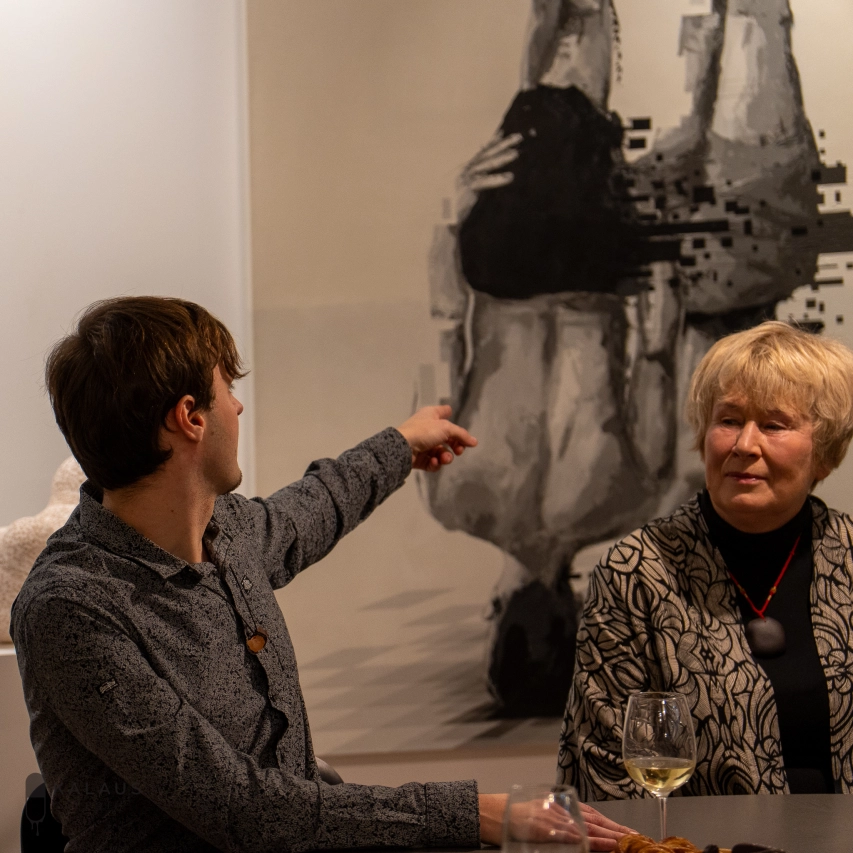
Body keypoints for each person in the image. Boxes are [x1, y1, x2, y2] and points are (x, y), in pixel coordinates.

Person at [11, 296, 631, 852]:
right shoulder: (71, 609)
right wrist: (477, 813)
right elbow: (244, 811)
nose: (238, 404)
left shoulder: (226, 532)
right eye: (227, 387)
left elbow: (314, 506)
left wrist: (402, 444)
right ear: (190, 417)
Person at [558, 320, 853, 798]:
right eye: (729, 420)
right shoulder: (636, 572)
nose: (744, 445)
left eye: (773, 425)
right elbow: (604, 772)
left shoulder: (849, 556)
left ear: (825, 452)